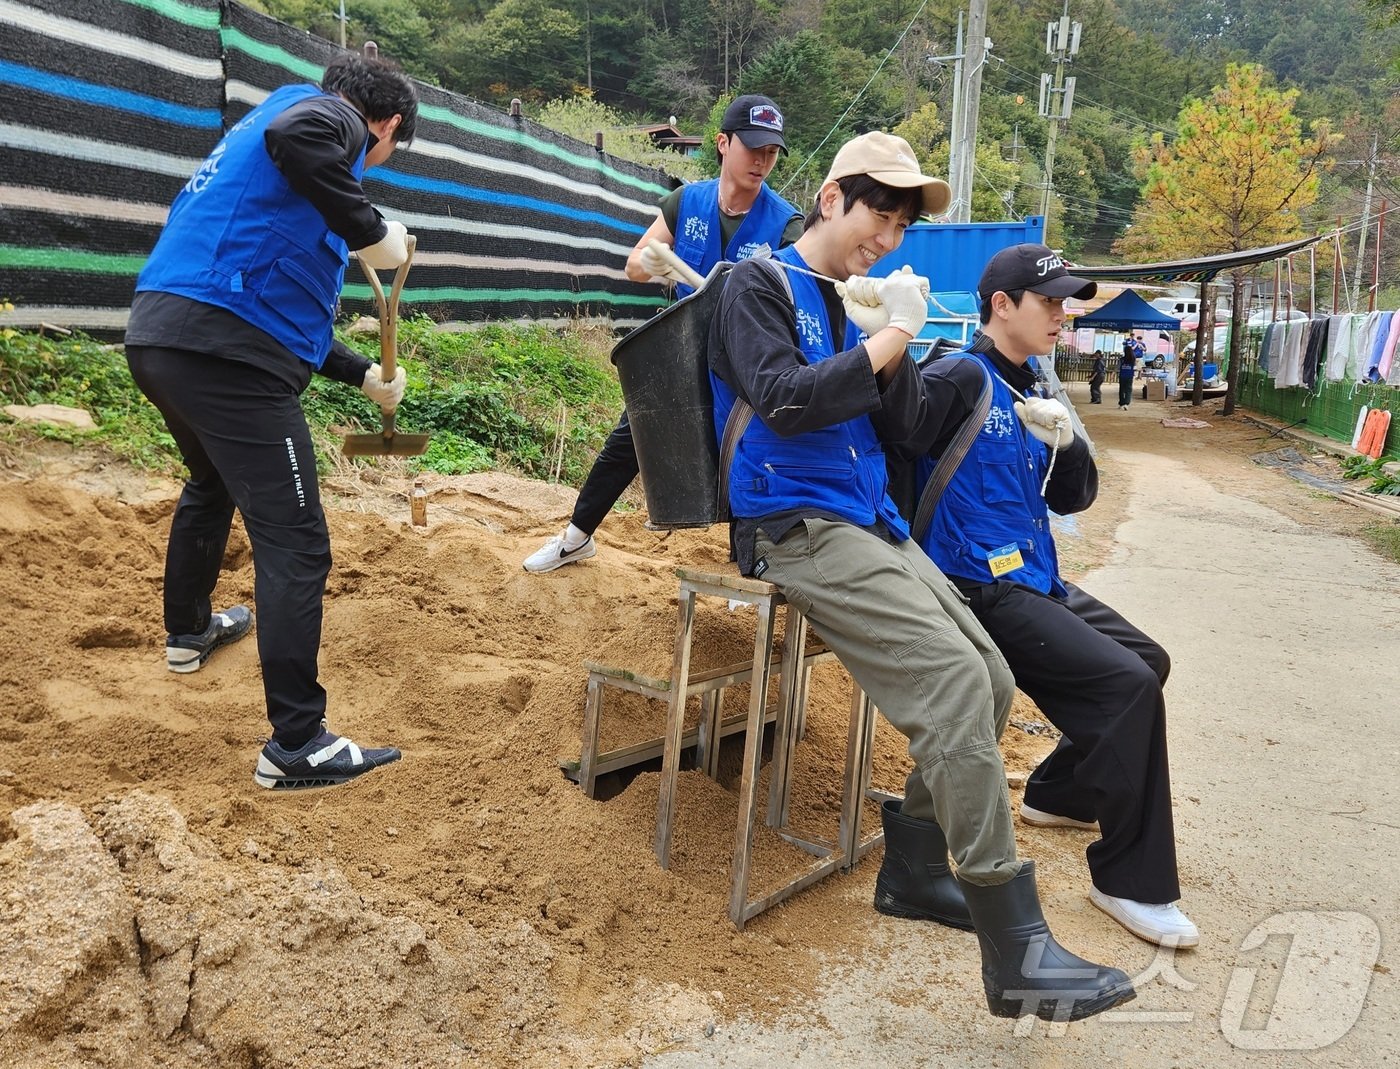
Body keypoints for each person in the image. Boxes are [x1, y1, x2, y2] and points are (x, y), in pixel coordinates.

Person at [709, 133, 1134, 1022]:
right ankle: (1015, 947)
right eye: (880, 214)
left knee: (991, 678)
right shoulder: (758, 283)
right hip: (794, 522)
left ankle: (912, 867)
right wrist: (895, 334)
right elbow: (784, 399)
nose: (888, 237)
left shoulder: (857, 300)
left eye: (902, 224)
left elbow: (902, 431)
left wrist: (893, 343)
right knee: (951, 684)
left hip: (868, 519)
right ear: (832, 198)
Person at [125, 54, 418, 791]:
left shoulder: (266, 160)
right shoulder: (326, 117)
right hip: (227, 358)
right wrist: (370, 228)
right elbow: (304, 136)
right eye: (386, 146)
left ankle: (190, 631)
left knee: (211, 481)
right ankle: (297, 743)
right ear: (387, 125)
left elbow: (281, 311)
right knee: (297, 542)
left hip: (166, 337)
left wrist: (364, 373)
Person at [901, 243, 1198, 949]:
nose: (1062, 314)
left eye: (1066, 302)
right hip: (977, 584)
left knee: (1148, 661)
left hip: (1034, 575)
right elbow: (893, 438)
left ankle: (1057, 793)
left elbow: (1075, 497)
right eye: (1050, 301)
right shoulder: (959, 376)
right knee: (1126, 686)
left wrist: (1066, 442)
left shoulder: (1034, 382)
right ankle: (1129, 881)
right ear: (1002, 305)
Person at [523, 94, 803, 573]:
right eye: (753, 148)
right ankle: (576, 538)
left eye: (772, 152)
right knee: (632, 436)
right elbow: (634, 264)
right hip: (682, 354)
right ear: (723, 143)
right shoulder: (686, 202)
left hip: (746, 363)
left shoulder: (785, 223)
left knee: (746, 450)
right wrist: (662, 266)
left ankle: (746, 567)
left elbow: (799, 297)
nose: (762, 160)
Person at [1117, 336, 1138, 408]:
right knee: (1128, 390)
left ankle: (1121, 403)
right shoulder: (1133, 359)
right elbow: (1135, 367)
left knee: (1121, 390)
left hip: (1122, 376)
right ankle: (1127, 403)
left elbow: (1118, 367)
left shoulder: (1122, 359)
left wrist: (1113, 373)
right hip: (1129, 376)